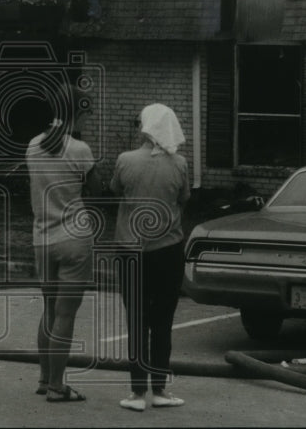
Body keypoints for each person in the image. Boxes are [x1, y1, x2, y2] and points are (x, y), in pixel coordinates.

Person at [110, 104, 190, 411]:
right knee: (163, 320)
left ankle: (136, 393)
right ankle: (159, 389)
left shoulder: (125, 160)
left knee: (137, 321)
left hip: (131, 249)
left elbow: (117, 189)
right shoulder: (180, 163)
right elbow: (184, 198)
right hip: (168, 250)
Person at [26, 87, 98, 403]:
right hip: (73, 236)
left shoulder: (32, 145)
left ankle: (44, 378)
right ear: (78, 112)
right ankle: (57, 386)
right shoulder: (80, 149)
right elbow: (96, 193)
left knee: (49, 309)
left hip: (42, 237)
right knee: (66, 315)